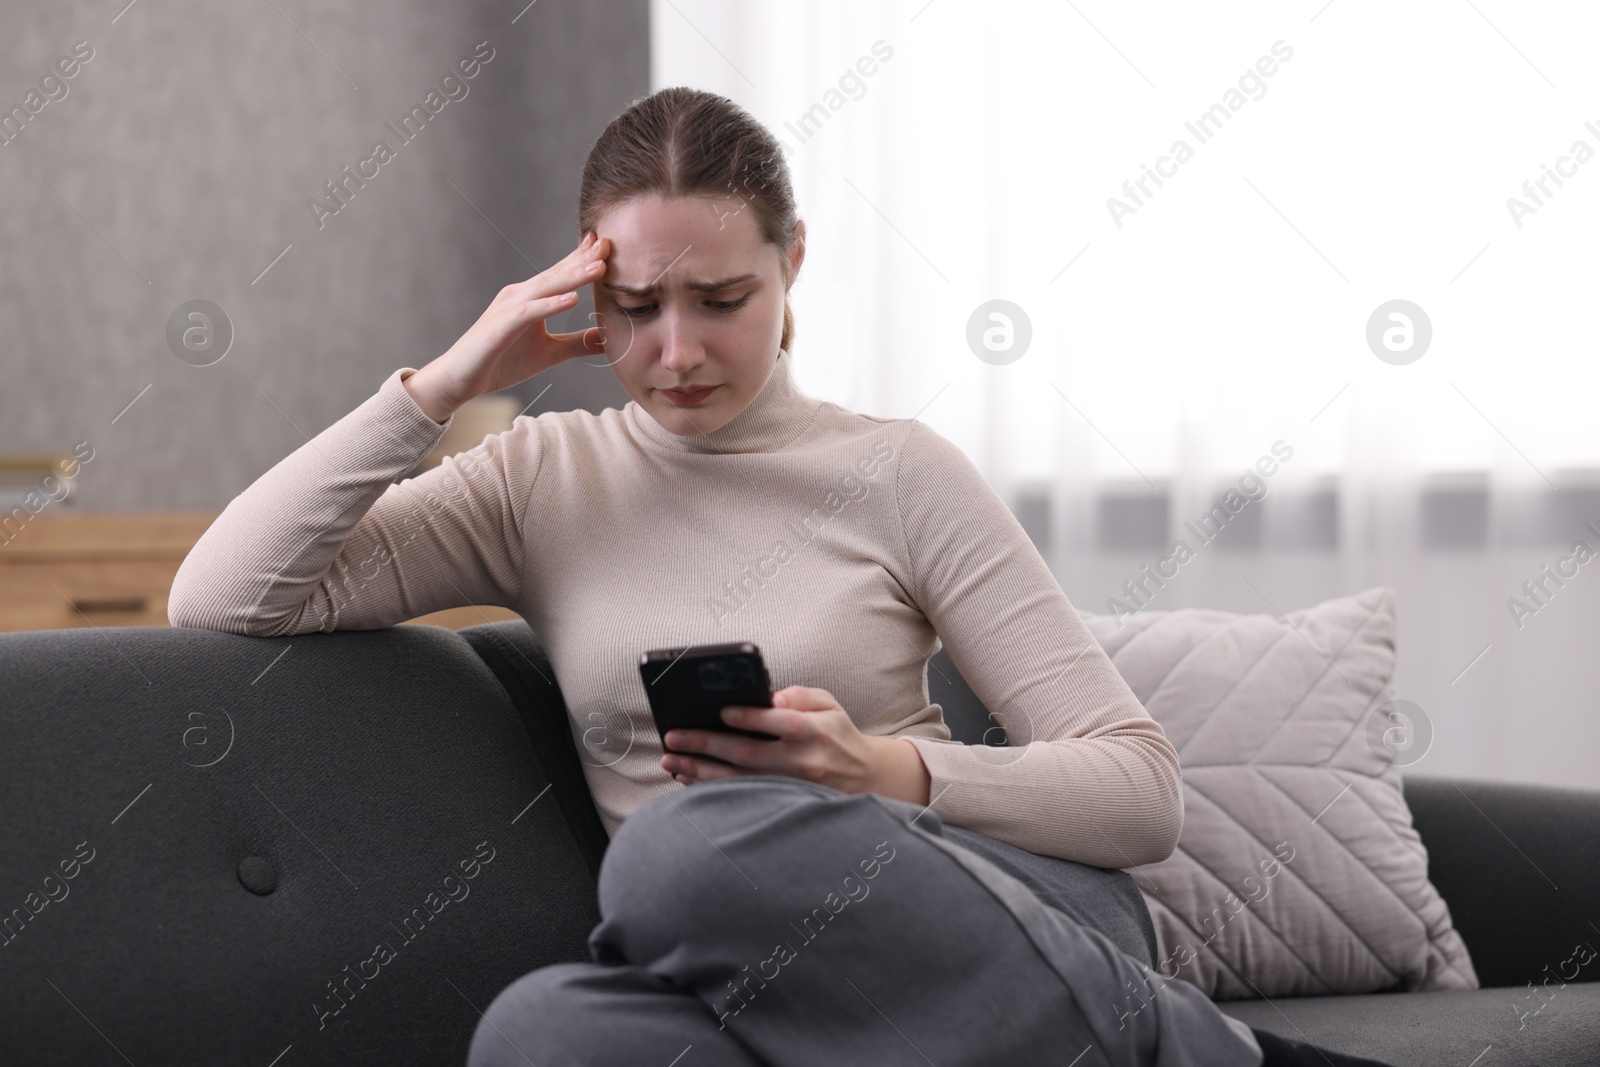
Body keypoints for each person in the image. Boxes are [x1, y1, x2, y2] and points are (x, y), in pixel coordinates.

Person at [168, 87, 1394, 1067]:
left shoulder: (897, 471)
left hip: (988, 909)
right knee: (545, 1033)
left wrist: (881, 769)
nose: (677, 349)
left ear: (792, 262)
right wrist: (443, 379)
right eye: (636, 307)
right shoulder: (538, 479)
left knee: (671, 853)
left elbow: (1139, 793)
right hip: (739, 962)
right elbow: (223, 595)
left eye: (721, 298)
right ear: (585, 298)